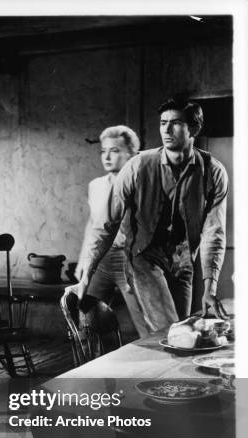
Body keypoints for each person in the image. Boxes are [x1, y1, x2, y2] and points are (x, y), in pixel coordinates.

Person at [69, 97, 228, 332]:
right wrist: (85, 278)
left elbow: (214, 233)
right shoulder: (138, 165)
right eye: (163, 122)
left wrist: (210, 289)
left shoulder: (212, 172)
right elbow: (105, 224)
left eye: (175, 123)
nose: (166, 129)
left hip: (184, 262)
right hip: (144, 257)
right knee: (171, 330)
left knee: (181, 330)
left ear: (194, 128)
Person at [76, 126, 150, 337]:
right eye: (103, 151)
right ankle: (91, 366)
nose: (107, 156)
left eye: (115, 150)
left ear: (132, 154)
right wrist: (83, 263)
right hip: (102, 259)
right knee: (87, 317)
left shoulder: (142, 185)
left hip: (131, 259)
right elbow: (93, 225)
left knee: (146, 323)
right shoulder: (96, 186)